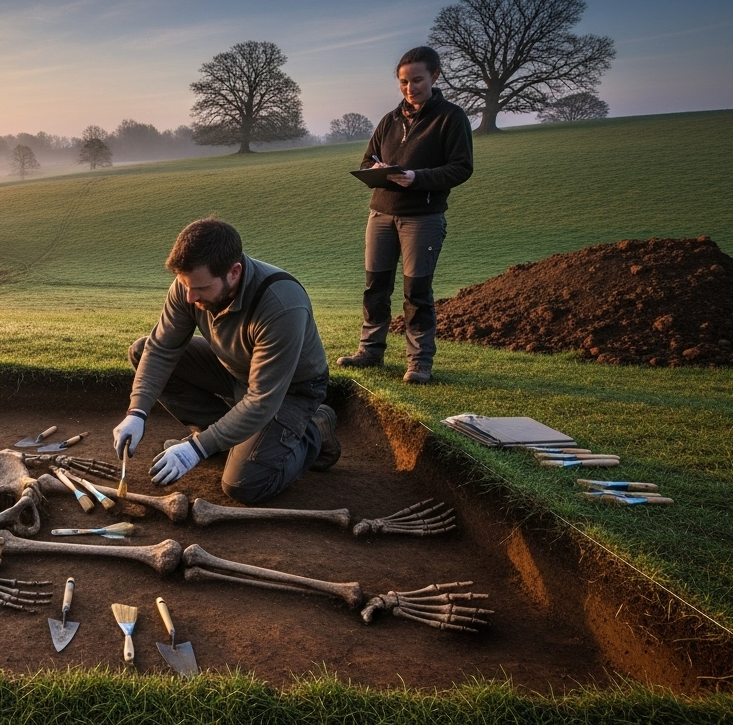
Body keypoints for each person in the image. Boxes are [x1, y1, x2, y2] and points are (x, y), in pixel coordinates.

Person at [111, 217, 341, 505]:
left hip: (290, 390)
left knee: (244, 486)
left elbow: (262, 399)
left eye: (201, 288)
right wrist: (137, 412)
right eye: (185, 286)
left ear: (234, 272)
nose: (191, 297)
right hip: (235, 369)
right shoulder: (190, 287)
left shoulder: (282, 304)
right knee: (141, 350)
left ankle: (314, 432)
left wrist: (195, 448)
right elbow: (160, 350)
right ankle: (220, 443)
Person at [336, 46, 473, 384]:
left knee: (417, 292)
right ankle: (370, 351)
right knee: (375, 286)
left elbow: (461, 168)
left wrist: (416, 178)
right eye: (403, 82)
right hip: (380, 214)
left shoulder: (451, 118)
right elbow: (367, 160)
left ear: (435, 76)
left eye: (417, 80)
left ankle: (419, 363)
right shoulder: (389, 119)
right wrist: (377, 169)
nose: (410, 88)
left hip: (422, 218)